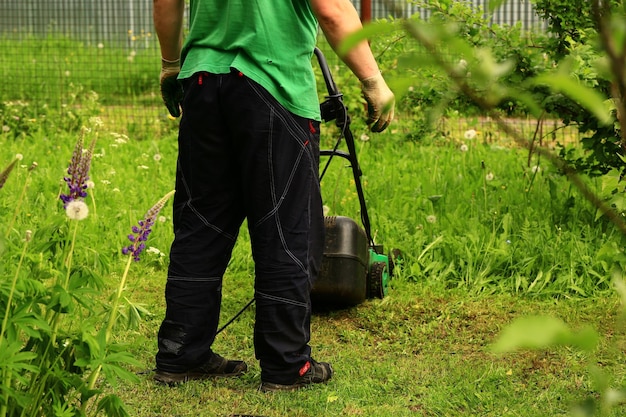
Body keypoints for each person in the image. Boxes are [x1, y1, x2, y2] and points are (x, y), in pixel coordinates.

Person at [152, 0, 395, 392]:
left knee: (201, 226)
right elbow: (332, 10)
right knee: (285, 229)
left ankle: (180, 355)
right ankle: (286, 365)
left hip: (201, 83)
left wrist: (169, 63)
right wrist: (374, 82)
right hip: (272, 83)